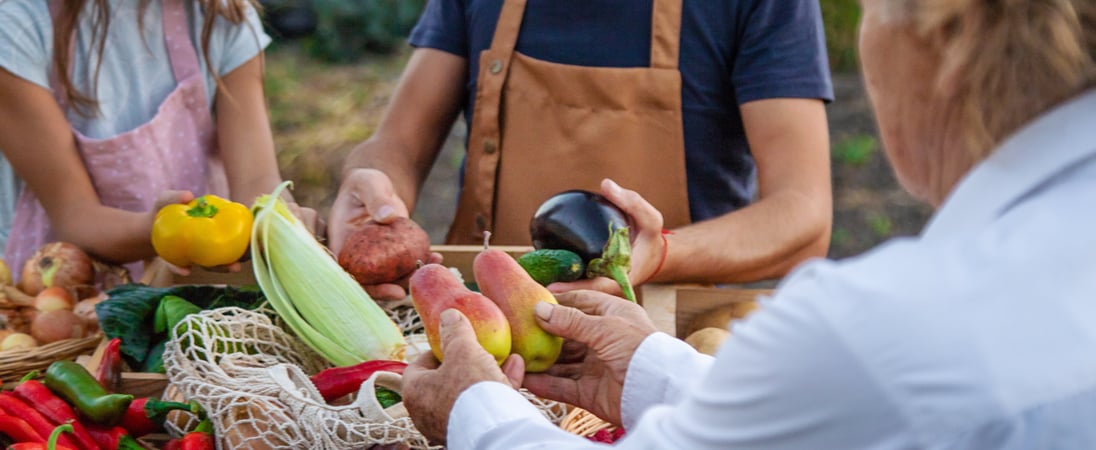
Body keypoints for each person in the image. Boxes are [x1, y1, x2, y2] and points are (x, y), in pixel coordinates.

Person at [401, 0, 1096, 447]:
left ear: (949, 38)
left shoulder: (872, 329)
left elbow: (864, 374)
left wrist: (472, 413)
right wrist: (654, 371)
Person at [328, 0, 834, 300]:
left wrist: (660, 256)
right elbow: (397, 144)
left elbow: (802, 217)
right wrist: (373, 187)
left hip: (662, 350)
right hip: (485, 337)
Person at [0, 0, 318, 281]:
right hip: (73, 291)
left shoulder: (222, 15)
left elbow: (256, 178)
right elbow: (75, 215)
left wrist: (278, 220)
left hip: (194, 280)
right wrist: (161, 230)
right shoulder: (18, 31)